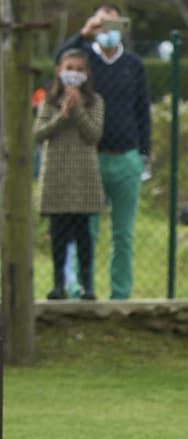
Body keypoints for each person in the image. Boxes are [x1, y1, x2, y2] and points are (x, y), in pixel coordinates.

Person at [57, 4, 151, 300]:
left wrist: (143, 154)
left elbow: (142, 111)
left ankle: (120, 295)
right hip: (90, 158)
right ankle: (79, 290)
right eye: (102, 25)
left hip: (126, 159)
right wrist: (82, 34)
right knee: (86, 231)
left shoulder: (133, 64)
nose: (107, 31)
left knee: (123, 235)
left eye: (112, 25)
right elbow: (60, 62)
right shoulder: (84, 61)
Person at [36, 48, 104, 300]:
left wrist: (77, 110)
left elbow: (93, 135)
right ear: (59, 71)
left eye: (79, 69)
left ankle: (87, 284)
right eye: (69, 68)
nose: (74, 73)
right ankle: (58, 284)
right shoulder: (48, 101)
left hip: (83, 175)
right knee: (58, 233)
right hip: (56, 173)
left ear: (87, 74)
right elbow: (38, 133)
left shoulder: (96, 101)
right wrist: (61, 116)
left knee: (83, 233)